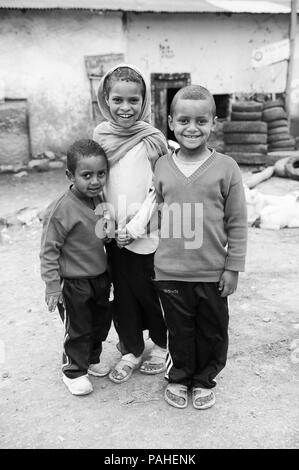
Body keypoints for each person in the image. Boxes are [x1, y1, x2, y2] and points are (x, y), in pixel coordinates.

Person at [153, 85, 248, 409]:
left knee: (212, 330)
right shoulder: (163, 166)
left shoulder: (227, 167)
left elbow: (237, 221)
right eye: (183, 120)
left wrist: (233, 267)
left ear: (214, 122)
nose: (192, 129)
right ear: (170, 121)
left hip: (211, 270)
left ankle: (204, 379)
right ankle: (179, 377)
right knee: (179, 331)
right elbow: (155, 211)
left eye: (201, 121)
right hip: (171, 270)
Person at [93, 64, 168, 384]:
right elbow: (94, 185)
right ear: (104, 100)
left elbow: (162, 190)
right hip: (111, 233)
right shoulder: (99, 137)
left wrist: (138, 227)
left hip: (148, 230)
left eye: (134, 100)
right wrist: (105, 221)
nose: (126, 108)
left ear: (145, 101)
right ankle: (132, 349)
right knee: (121, 294)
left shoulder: (153, 138)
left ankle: (163, 345)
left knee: (154, 291)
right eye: (118, 100)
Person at [40, 139, 112, 396]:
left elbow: (104, 233)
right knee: (78, 327)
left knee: (101, 322)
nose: (94, 181)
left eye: (101, 174)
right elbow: (49, 250)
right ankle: (73, 371)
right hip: (73, 283)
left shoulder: (100, 199)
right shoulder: (61, 209)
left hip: (100, 277)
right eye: (86, 175)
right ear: (70, 175)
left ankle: (91, 360)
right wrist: (51, 287)